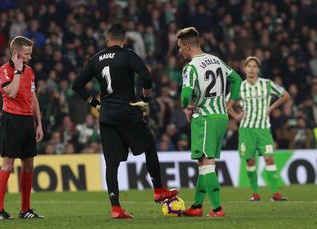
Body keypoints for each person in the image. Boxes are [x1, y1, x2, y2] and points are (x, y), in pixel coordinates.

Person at [72, 24, 178, 219]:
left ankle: (115, 207)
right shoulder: (128, 55)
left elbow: (76, 85)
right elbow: (146, 77)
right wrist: (145, 100)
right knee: (149, 145)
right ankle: (158, 190)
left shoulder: (95, 59)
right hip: (127, 111)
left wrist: (95, 104)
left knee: (111, 162)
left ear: (107, 40)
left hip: (106, 115)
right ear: (124, 40)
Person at [176, 27, 242, 217]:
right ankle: (197, 206)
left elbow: (186, 95)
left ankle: (217, 209)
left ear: (187, 46)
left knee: (207, 162)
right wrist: (229, 103)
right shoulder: (217, 61)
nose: (179, 51)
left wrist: (186, 107)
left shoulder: (190, 67)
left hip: (204, 117)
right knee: (203, 163)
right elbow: (237, 80)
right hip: (220, 116)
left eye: (180, 47)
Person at [0, 36, 44, 220]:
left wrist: (39, 123)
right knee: (7, 166)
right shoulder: (3, 71)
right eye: (26, 54)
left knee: (29, 166)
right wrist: (17, 71)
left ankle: (25, 210)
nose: (29, 57)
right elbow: (12, 92)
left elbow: (33, 97)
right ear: (16, 54)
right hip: (12, 120)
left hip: (27, 121)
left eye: (30, 53)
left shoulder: (30, 71)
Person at [229, 56, 290, 201]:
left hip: (263, 129)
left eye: (254, 66)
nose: (251, 68)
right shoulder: (240, 86)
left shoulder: (267, 84)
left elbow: (285, 96)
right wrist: (236, 116)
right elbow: (226, 104)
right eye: (249, 66)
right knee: (250, 161)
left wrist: (270, 108)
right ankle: (255, 193)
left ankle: (276, 193)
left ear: (258, 69)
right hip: (246, 130)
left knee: (269, 159)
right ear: (245, 69)